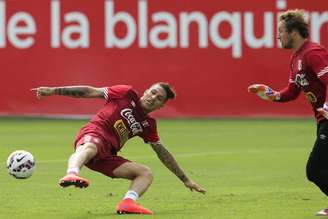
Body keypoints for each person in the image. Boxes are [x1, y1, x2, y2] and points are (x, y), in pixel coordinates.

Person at [31, 82, 206, 215]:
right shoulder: (125, 93)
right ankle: (72, 173)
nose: (153, 97)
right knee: (91, 147)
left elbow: (162, 152)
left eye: (158, 98)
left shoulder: (148, 124)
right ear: (145, 91)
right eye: (153, 92)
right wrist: (54, 91)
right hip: (93, 134)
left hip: (107, 155)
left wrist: (185, 179)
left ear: (161, 106)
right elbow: (90, 91)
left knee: (145, 173)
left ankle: (128, 203)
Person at [248, 9, 328, 216]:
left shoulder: (312, 53)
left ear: (293, 32)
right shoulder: (296, 58)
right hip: (322, 120)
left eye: (280, 31)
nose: (277, 36)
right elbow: (291, 92)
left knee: (315, 170)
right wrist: (268, 93)